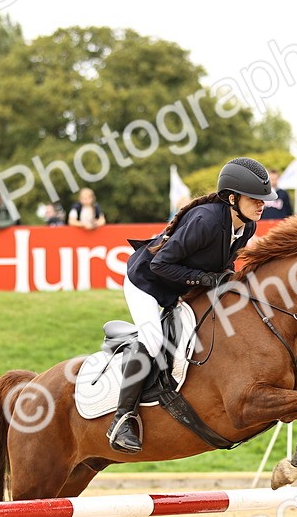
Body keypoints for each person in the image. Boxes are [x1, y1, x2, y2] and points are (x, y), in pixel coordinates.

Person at [108, 157, 276, 453]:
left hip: (181, 285)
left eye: (263, 199)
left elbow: (222, 266)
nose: (261, 205)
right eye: (255, 199)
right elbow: (160, 264)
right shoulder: (206, 220)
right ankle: (122, 419)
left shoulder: (246, 226)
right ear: (233, 198)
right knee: (154, 339)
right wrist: (206, 280)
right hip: (146, 282)